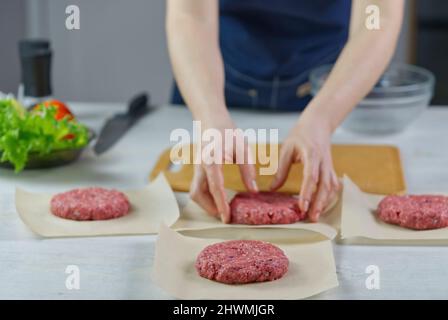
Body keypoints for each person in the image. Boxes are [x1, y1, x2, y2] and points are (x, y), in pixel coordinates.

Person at [166, 0, 404, 223]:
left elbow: (376, 17)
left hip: (337, 80)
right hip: (214, 72)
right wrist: (211, 117)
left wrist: (323, 118)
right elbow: (191, 15)